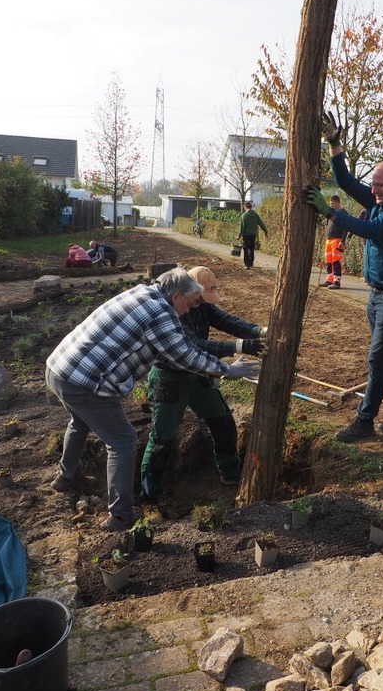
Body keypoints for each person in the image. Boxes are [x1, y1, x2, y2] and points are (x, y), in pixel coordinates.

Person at [46, 268, 260, 532]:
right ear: (177, 296)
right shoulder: (160, 314)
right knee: (123, 440)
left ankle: (65, 478)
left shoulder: (145, 293)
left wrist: (252, 335)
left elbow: (205, 334)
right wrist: (228, 370)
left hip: (60, 368)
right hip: (86, 381)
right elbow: (185, 355)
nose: (189, 311)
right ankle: (121, 515)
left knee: (79, 422)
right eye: (190, 302)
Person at [303, 110, 383, 441]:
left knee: (377, 358)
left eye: (379, 185)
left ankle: (364, 422)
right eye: (372, 184)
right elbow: (344, 182)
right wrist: (334, 142)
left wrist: (330, 212)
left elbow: (369, 230)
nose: (372, 191)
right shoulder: (380, 200)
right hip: (378, 294)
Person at [140, 266, 267, 518]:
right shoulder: (172, 311)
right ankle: (149, 496)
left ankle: (230, 472)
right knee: (162, 440)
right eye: (197, 299)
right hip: (169, 379)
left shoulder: (202, 305)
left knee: (222, 422)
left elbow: (226, 320)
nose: (198, 304)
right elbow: (194, 344)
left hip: (198, 374)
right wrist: (238, 347)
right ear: (187, 293)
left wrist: (258, 332)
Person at [323, 194, 348, 289]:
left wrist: (343, 240)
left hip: (337, 240)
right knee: (328, 261)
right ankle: (329, 279)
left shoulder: (343, 213)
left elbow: (346, 228)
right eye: (330, 203)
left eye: (333, 203)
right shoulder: (330, 213)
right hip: (329, 240)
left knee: (336, 261)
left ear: (338, 202)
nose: (331, 205)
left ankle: (337, 281)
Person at [238, 202, 268, 269]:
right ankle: (251, 263)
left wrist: (239, 235)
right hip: (253, 235)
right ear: (251, 207)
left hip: (246, 235)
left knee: (245, 249)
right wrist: (265, 231)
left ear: (245, 207)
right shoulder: (255, 215)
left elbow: (241, 227)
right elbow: (261, 224)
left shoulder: (244, 216)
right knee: (251, 249)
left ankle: (246, 264)